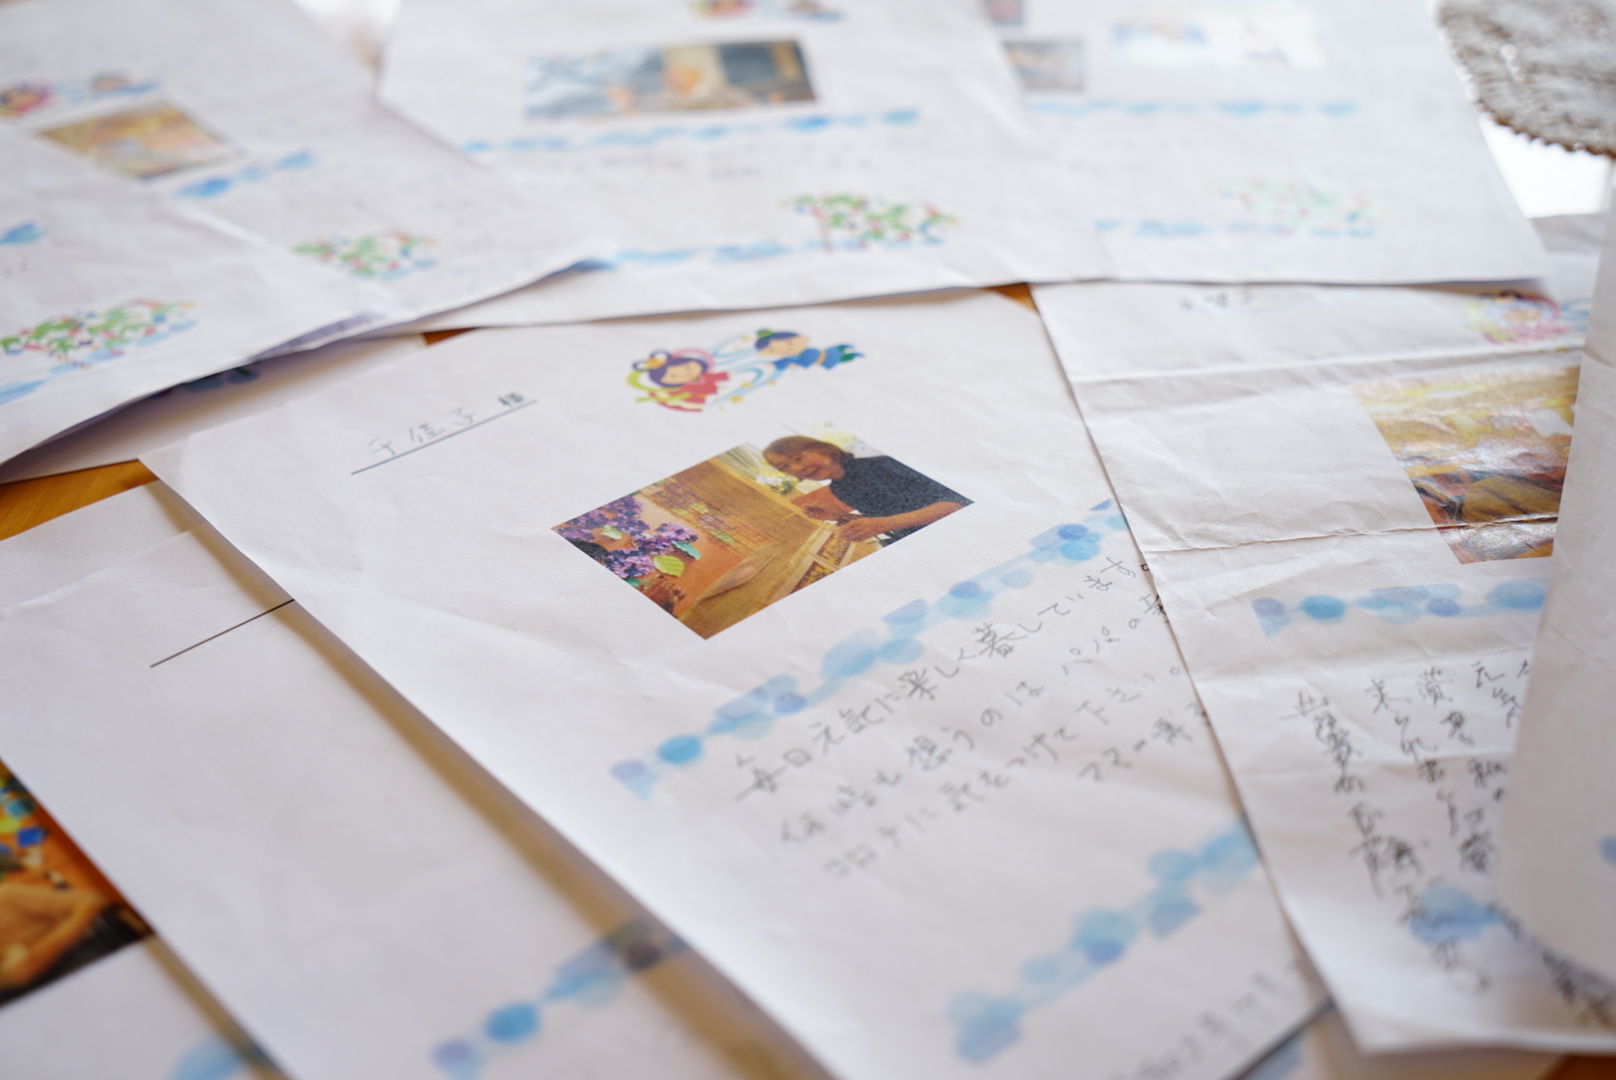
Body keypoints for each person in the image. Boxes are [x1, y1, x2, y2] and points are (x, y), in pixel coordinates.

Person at [763, 436, 969, 544]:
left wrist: (884, 524)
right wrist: (842, 516)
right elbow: (885, 516)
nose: (797, 468)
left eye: (798, 458)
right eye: (786, 466)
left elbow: (957, 504)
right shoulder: (839, 487)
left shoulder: (879, 464)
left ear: (822, 449)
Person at [628, 349, 730, 411]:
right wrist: (715, 387)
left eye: (687, 367)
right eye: (673, 376)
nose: (685, 373)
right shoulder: (685, 387)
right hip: (698, 405)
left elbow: (713, 377)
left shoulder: (702, 376)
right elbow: (702, 389)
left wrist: (726, 375)